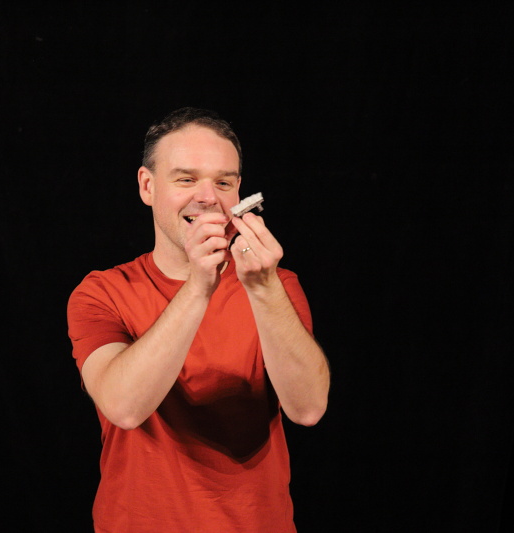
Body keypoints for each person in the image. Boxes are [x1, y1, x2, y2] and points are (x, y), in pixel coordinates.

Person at [67, 107, 330, 532]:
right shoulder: (101, 292)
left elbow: (309, 408)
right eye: (186, 179)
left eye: (223, 182)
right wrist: (198, 287)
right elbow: (124, 407)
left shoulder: (276, 285)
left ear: (239, 192)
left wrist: (263, 289)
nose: (208, 198)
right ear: (148, 186)